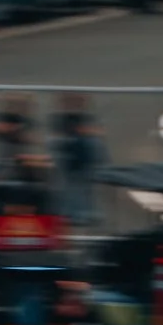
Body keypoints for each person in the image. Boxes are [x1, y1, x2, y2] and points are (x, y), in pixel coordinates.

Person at [50, 94, 102, 228]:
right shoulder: (59, 119)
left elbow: (95, 133)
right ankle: (69, 213)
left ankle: (84, 213)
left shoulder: (86, 118)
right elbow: (56, 138)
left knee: (83, 188)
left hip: (83, 158)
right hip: (68, 158)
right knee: (69, 187)